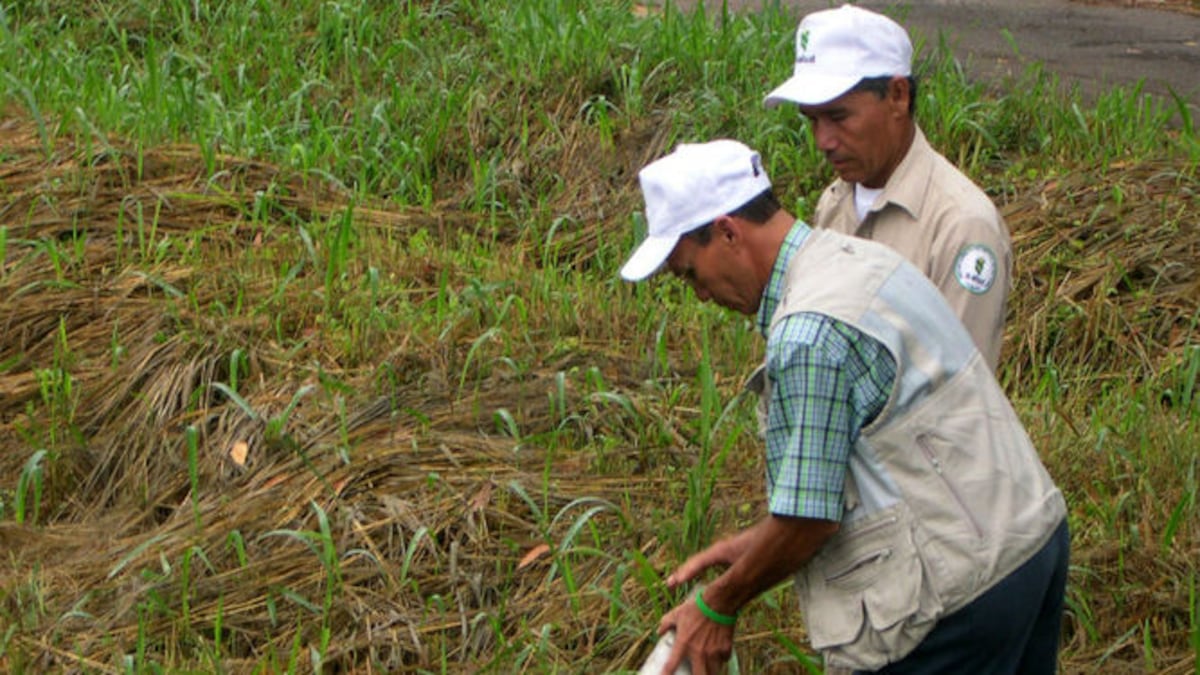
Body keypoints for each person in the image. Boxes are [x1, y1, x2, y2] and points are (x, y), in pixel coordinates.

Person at [619, 139, 1069, 675]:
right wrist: (758, 546)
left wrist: (718, 601)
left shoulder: (809, 332)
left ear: (727, 232)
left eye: (690, 273)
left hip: (961, 602)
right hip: (1029, 544)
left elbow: (809, 521)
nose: (699, 295)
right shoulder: (854, 259)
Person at [764, 4, 1011, 371]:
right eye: (812, 120)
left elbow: (955, 393)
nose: (823, 141)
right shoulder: (833, 206)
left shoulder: (961, 227)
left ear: (898, 96)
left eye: (838, 116)